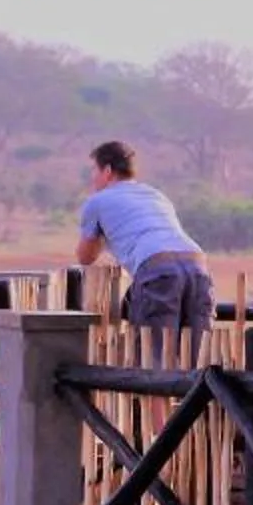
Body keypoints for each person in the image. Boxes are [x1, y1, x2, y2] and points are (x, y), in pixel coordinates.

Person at [76, 139, 214, 357]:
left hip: (157, 269)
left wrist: (106, 233)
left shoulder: (98, 202)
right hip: (196, 265)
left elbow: (85, 256)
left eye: (95, 170)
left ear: (108, 171)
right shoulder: (156, 195)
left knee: (154, 356)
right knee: (195, 356)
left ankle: (156, 392)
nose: (92, 177)